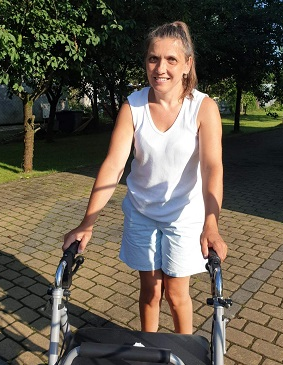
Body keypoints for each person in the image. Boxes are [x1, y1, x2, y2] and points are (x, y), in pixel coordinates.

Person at [63, 21, 227, 334]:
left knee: (176, 294)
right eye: (153, 58)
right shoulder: (133, 106)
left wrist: (211, 224)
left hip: (184, 216)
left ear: (187, 64)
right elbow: (114, 165)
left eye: (171, 60)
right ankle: (146, 349)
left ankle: (183, 357)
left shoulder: (203, 108)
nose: (160, 68)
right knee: (150, 292)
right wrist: (87, 222)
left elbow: (212, 167)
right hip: (141, 214)